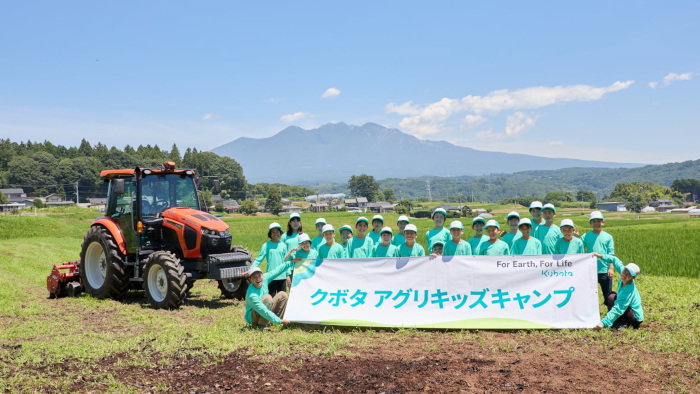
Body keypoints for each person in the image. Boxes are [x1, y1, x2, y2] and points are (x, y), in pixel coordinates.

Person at [592, 253, 643, 330]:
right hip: (627, 309)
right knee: (611, 296)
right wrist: (599, 256)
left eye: (629, 274)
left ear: (633, 278)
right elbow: (614, 260)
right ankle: (615, 320)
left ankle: (621, 323)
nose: (625, 274)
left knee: (614, 300)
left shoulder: (628, 290)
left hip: (634, 317)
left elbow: (619, 308)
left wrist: (603, 323)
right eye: (625, 271)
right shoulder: (623, 273)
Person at [582, 211, 616, 300]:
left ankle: (610, 312)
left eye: (598, 221)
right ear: (590, 223)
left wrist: (611, 268)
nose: (596, 223)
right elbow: (578, 248)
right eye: (594, 221)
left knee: (608, 295)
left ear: (603, 222)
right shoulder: (585, 236)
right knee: (589, 295)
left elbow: (611, 254)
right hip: (590, 270)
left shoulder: (608, 237)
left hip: (605, 270)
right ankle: (591, 313)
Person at [251, 222, 289, 297]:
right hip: (271, 276)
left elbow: (287, 261)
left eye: (277, 231)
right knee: (271, 298)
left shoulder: (283, 245)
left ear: (280, 232)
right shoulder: (266, 245)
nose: (275, 234)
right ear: (270, 234)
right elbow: (259, 259)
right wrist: (250, 269)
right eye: (273, 232)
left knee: (283, 298)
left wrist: (287, 275)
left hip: (282, 276)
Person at [280, 213, 303, 284]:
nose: (295, 223)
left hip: (301, 267)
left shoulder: (303, 236)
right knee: (292, 291)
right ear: (290, 223)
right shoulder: (284, 236)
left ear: (300, 223)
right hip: (289, 267)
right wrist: (287, 274)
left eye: (297, 221)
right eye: (293, 221)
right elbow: (282, 255)